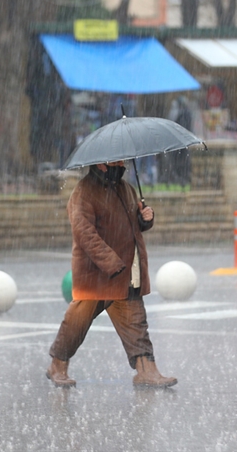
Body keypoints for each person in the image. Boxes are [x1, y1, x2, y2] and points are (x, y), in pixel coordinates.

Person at [46, 160, 177, 388]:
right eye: (118, 160)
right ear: (102, 163)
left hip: (125, 274)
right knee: (76, 324)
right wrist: (111, 263)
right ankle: (57, 365)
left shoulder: (126, 188)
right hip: (96, 277)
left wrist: (145, 219)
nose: (123, 163)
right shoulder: (84, 192)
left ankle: (147, 370)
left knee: (137, 324)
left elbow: (132, 224)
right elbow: (85, 233)